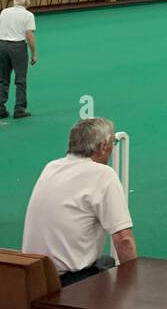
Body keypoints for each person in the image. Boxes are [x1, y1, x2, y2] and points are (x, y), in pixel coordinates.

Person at [21, 117, 136, 286]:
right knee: (110, 265)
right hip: (68, 284)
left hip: (31, 277)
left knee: (105, 261)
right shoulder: (103, 175)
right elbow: (123, 240)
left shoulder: (51, 166)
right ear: (104, 147)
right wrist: (134, 286)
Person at [0, 0, 37, 119]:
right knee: (20, 79)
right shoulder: (28, 15)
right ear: (26, 2)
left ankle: (1, 107)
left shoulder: (4, 12)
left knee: (3, 78)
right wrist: (33, 53)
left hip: (2, 45)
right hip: (18, 47)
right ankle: (19, 108)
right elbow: (29, 36)